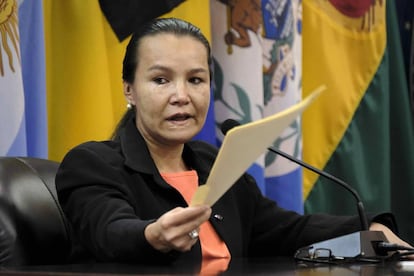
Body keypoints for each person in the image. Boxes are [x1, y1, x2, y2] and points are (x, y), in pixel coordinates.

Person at [55, 18, 412, 270]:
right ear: (129, 89)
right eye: (161, 80)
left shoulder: (214, 163)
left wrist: (366, 229)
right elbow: (109, 232)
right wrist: (153, 236)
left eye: (196, 79)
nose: (182, 95)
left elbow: (282, 229)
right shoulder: (91, 163)